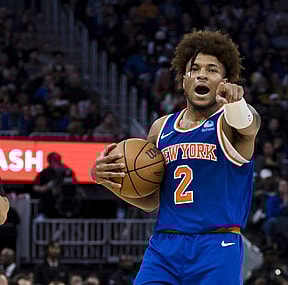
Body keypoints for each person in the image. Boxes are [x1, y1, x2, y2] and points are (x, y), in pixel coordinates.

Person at [93, 30, 261, 284]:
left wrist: (237, 104)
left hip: (216, 244)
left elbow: (250, 125)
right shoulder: (161, 128)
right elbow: (150, 200)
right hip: (164, 246)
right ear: (184, 79)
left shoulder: (229, 123)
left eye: (213, 70)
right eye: (195, 68)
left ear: (225, 81)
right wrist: (107, 179)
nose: (202, 74)